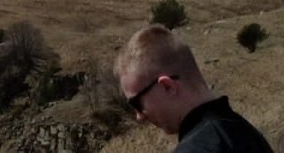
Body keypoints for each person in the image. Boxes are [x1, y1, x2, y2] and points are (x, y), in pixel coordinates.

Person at [113, 24, 273, 153]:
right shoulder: (246, 134)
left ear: (168, 87)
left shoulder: (198, 148)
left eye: (137, 104)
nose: (139, 117)